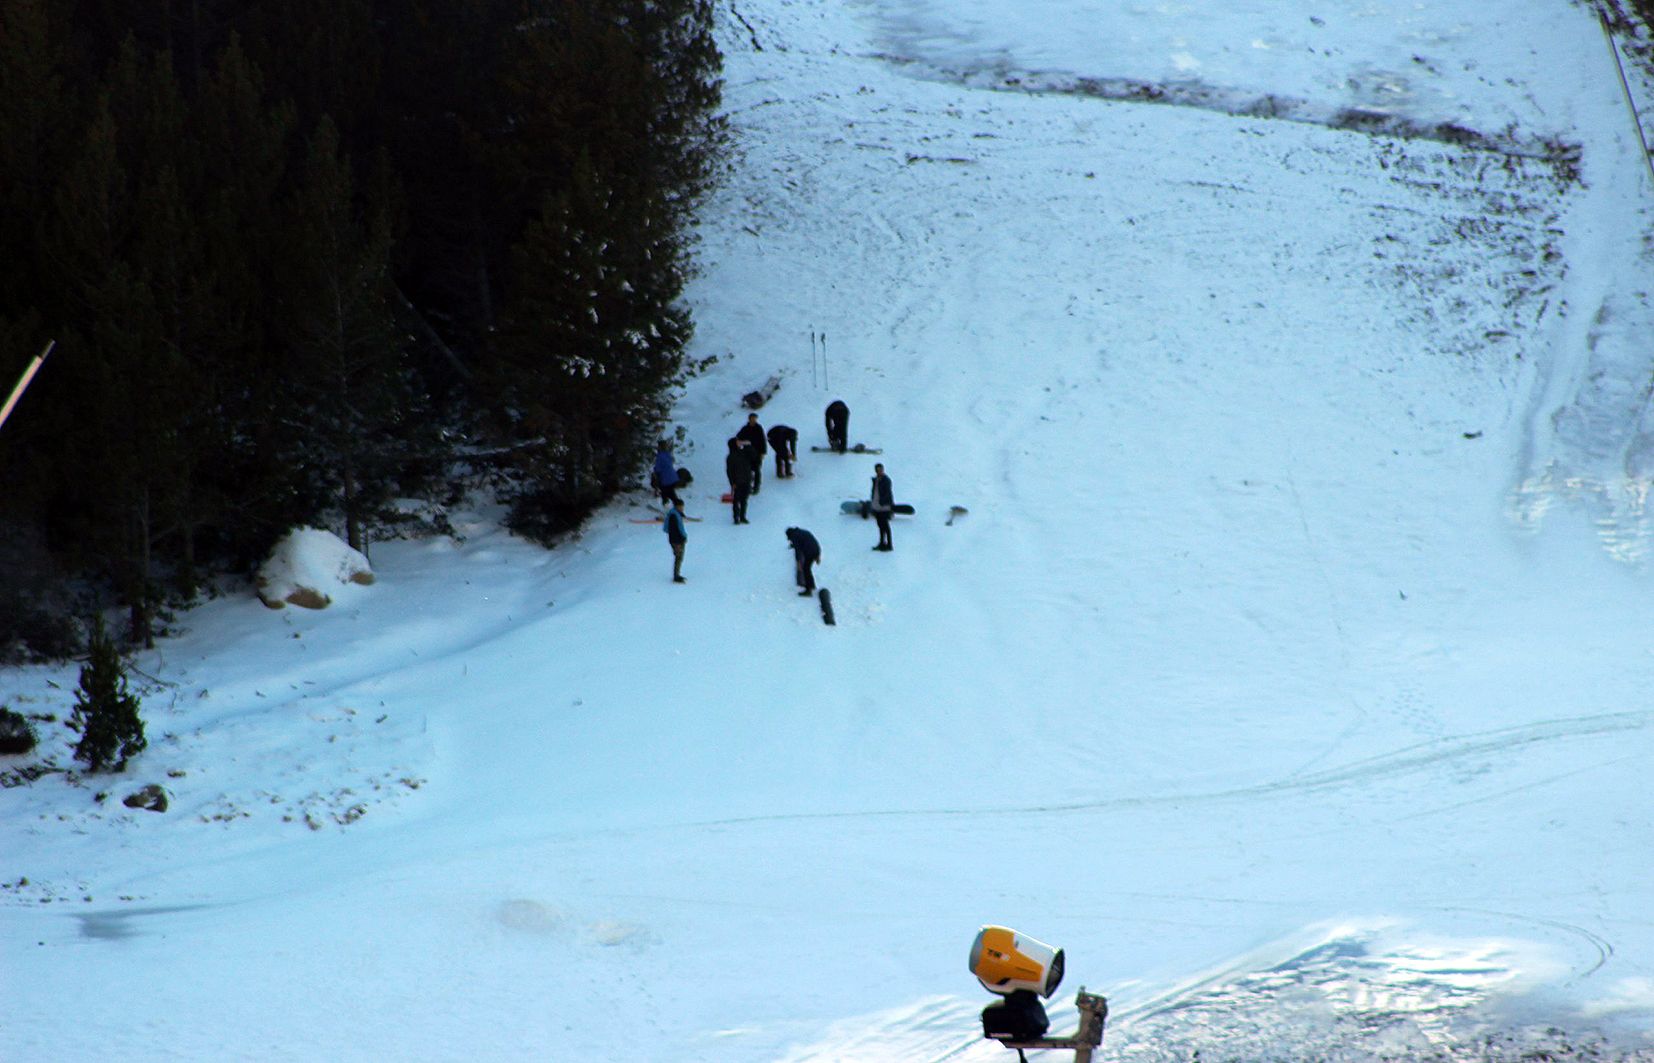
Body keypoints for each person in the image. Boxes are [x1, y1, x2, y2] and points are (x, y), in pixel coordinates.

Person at [785, 526, 821, 597]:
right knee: (807, 569)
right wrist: (818, 555)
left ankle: (808, 590)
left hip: (810, 552)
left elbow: (798, 551)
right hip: (816, 549)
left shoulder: (794, 536)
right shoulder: (802, 532)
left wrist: (798, 563)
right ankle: (812, 585)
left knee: (805, 569)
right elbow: (809, 541)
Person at [736, 413, 767, 494]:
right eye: (752, 418)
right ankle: (748, 486)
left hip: (757, 453)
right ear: (749, 419)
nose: (753, 420)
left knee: (757, 470)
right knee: (747, 470)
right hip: (747, 453)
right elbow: (738, 438)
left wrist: (763, 452)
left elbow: (763, 440)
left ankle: (756, 487)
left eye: (755, 418)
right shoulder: (745, 429)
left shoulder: (759, 428)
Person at [725, 437, 752, 525]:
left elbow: (753, 455)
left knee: (744, 500)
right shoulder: (731, 457)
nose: (739, 443)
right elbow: (729, 471)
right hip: (738, 481)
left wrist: (747, 445)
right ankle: (737, 517)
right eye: (737, 442)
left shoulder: (743, 452)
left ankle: (742, 517)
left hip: (746, 479)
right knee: (737, 500)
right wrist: (732, 483)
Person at [869, 462, 894, 551]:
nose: (878, 471)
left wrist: (883, 502)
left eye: (880, 470)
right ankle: (882, 543)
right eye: (877, 470)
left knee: (885, 525)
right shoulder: (876, 480)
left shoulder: (886, 480)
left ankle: (889, 544)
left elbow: (888, 493)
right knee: (880, 525)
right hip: (877, 506)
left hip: (884, 507)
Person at [664, 497, 689, 583]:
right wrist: (683, 538)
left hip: (676, 539)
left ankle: (677, 574)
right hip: (676, 540)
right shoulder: (674, 516)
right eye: (681, 507)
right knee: (679, 557)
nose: (682, 508)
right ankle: (676, 576)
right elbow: (676, 529)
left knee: (679, 557)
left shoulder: (675, 513)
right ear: (677, 507)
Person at [652, 439, 681, 505]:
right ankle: (675, 505)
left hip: (666, 479)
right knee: (670, 492)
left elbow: (658, 469)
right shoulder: (668, 454)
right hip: (673, 477)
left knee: (666, 491)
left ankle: (669, 505)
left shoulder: (659, 457)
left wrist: (655, 471)